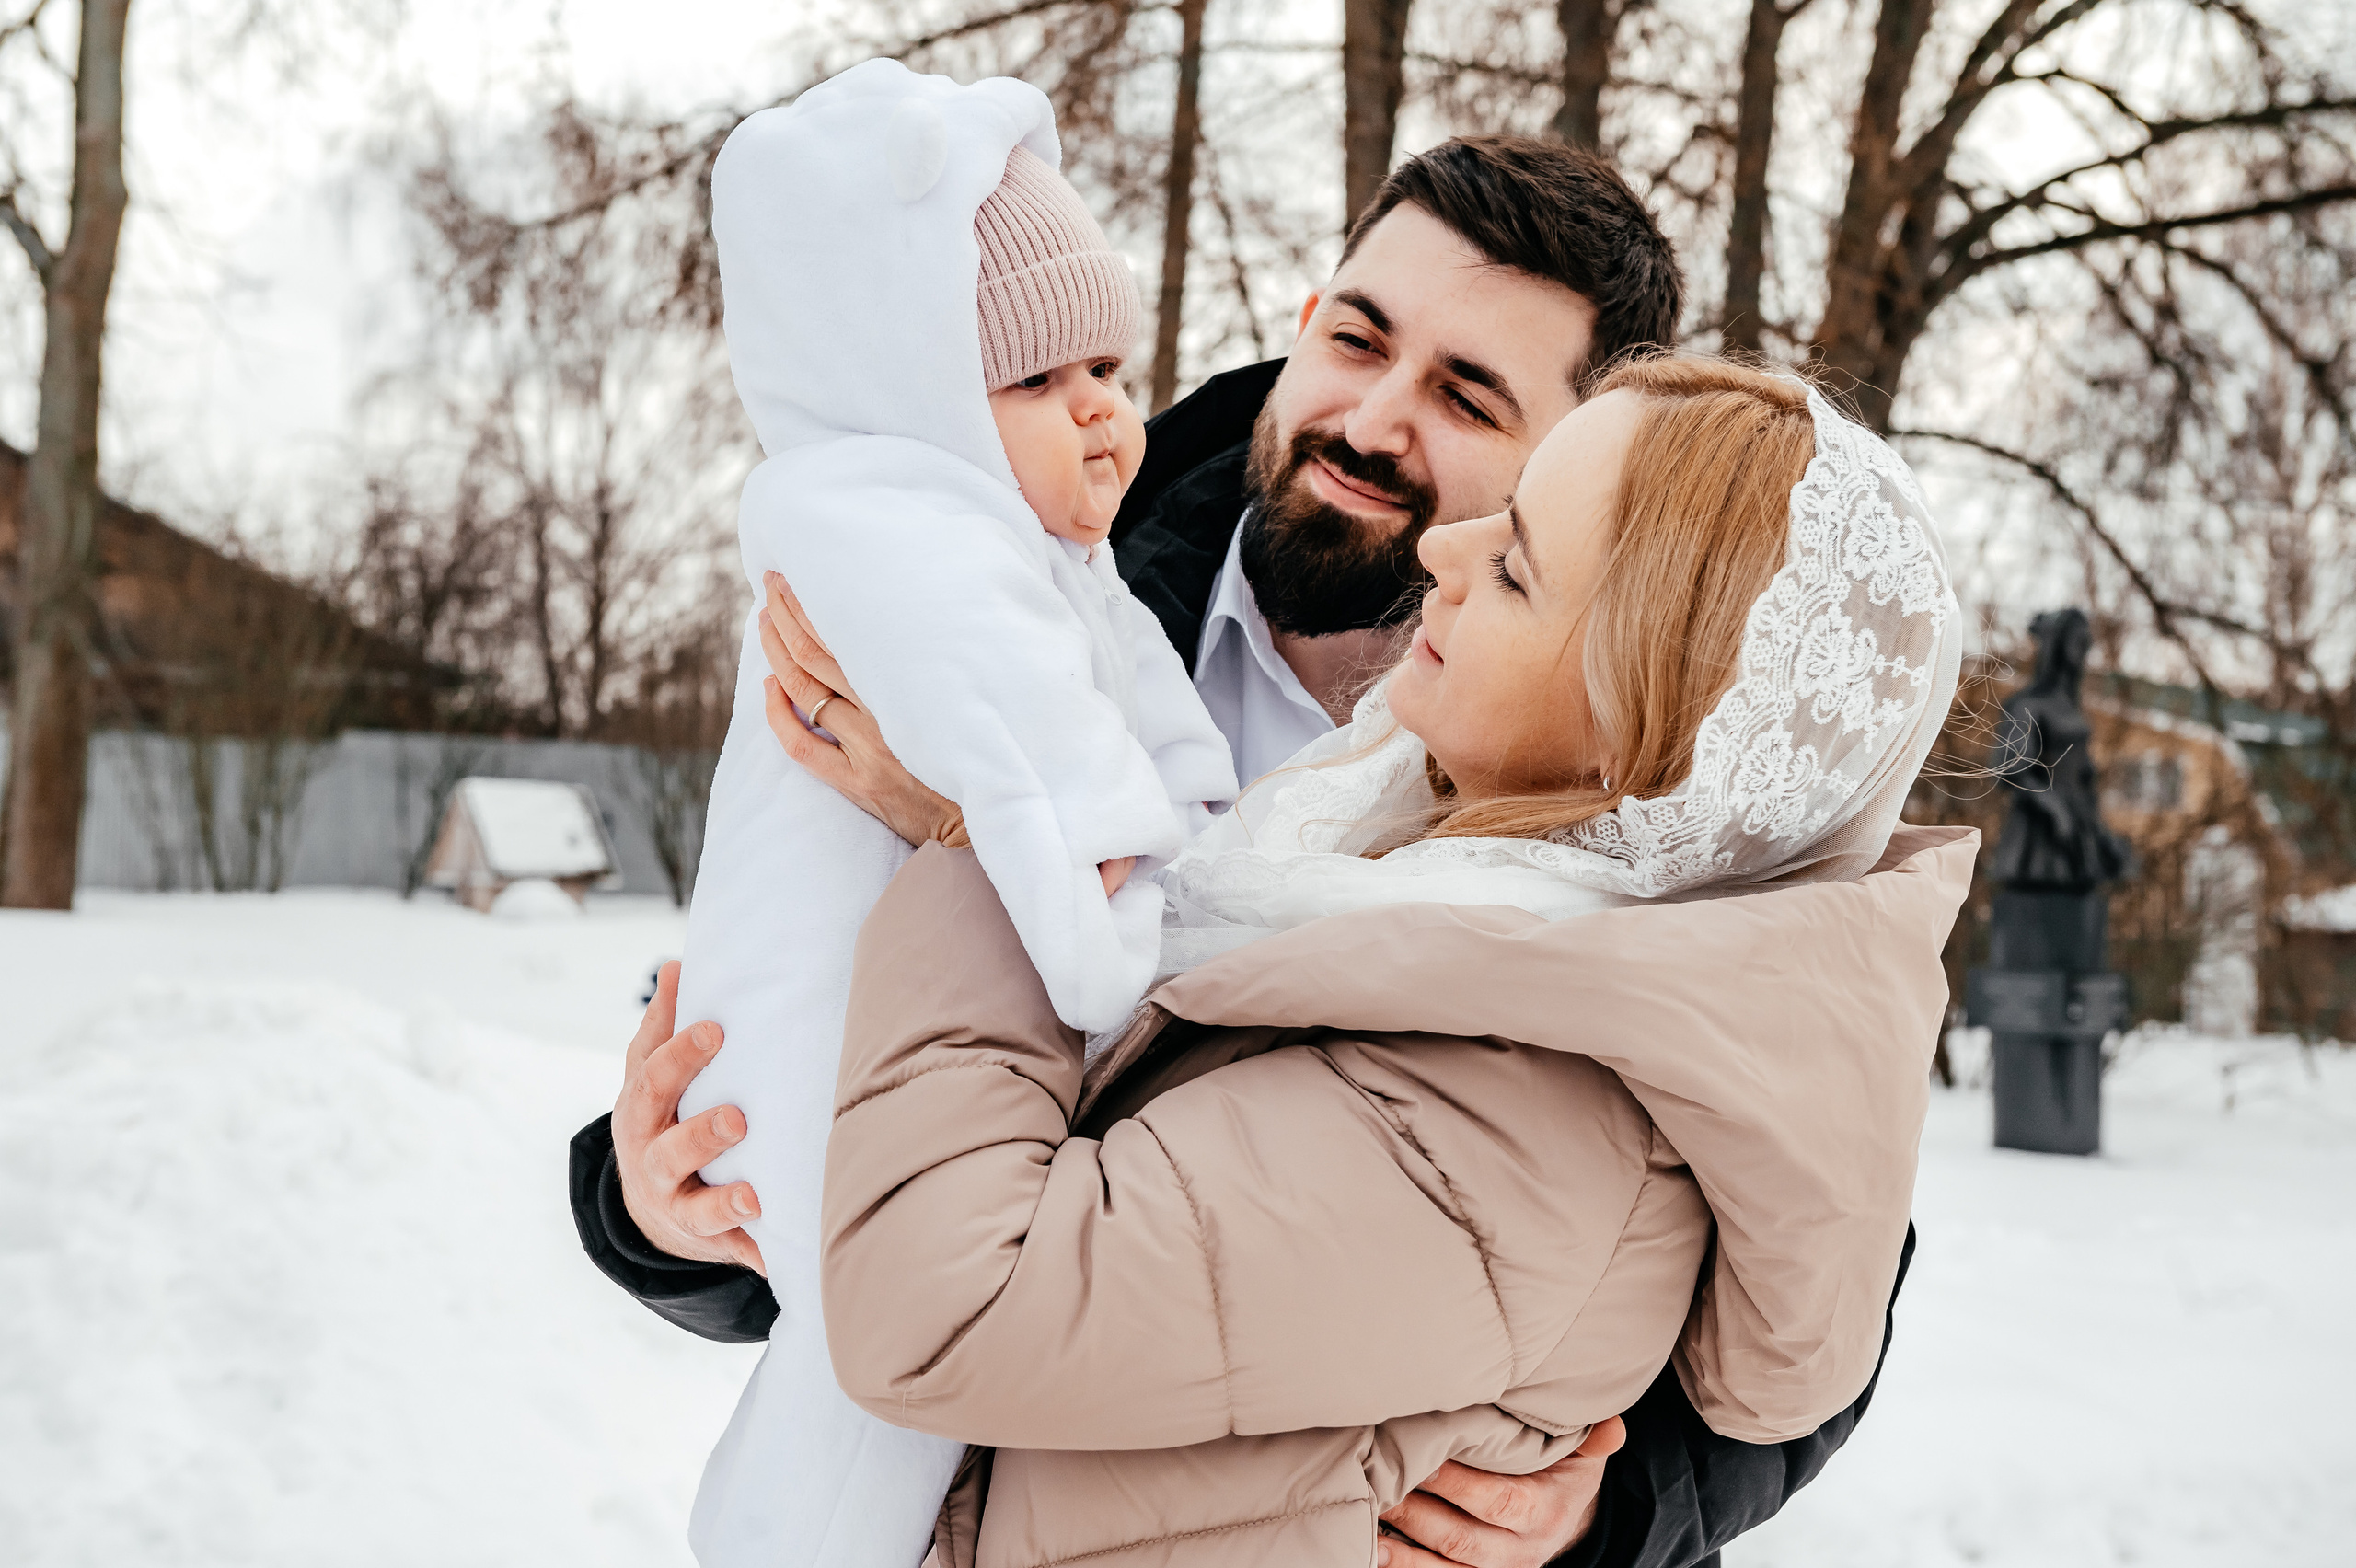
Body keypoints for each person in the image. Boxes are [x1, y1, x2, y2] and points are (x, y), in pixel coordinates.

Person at [569, 136, 1921, 1568]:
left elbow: (1808, 1205)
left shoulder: (1619, 806)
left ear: (1577, 466)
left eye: (1467, 396)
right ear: (1305, 322)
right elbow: (792, 968)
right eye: (1358, 338)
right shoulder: (1015, 569)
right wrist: (656, 1206)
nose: (1375, 418)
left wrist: (1623, 1502)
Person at [668, 64, 1241, 1568]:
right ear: (912, 385)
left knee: (868, 1410)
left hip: (891, 1085)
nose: (1108, 416)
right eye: (1042, 385)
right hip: (814, 1081)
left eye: (1111, 370)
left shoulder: (1035, 553)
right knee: (875, 1410)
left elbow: (1159, 749)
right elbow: (1068, 822)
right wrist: (1148, 912)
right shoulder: (901, 541)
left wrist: (1198, 845)